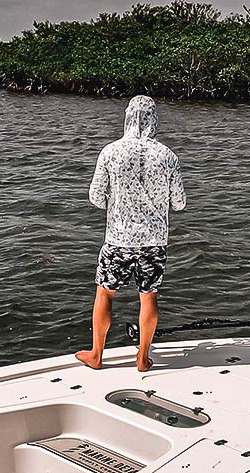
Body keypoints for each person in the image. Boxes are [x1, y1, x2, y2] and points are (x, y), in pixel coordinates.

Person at [75, 95, 186, 372]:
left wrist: (119, 201)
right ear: (154, 119)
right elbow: (179, 203)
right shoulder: (168, 156)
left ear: (127, 117)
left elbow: (96, 197)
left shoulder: (110, 152)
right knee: (149, 296)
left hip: (118, 238)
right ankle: (143, 357)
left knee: (105, 294)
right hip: (154, 240)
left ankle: (97, 354)